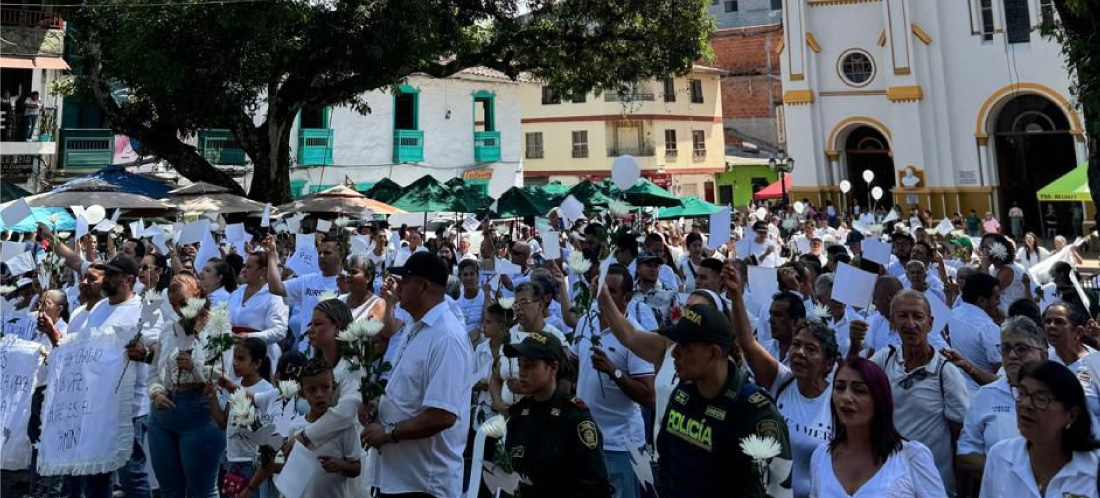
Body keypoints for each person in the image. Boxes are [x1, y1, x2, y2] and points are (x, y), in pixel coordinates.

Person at [360, 251, 474, 498]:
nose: (398, 287)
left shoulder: (447, 337)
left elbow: (442, 415)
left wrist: (389, 433)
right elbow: (409, 389)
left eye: (405, 280)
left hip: (424, 484)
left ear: (423, 286)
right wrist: (378, 404)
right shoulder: (415, 325)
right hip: (398, 478)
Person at [656, 303, 793, 498]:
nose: (675, 353)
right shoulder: (681, 394)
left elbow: (778, 491)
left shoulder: (755, 412)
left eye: (685, 346)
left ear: (713, 353)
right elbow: (665, 458)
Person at [67, 255, 153, 498]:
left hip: (129, 407)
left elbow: (155, 348)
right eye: (106, 273)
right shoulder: (100, 308)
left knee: (131, 475)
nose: (107, 278)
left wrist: (143, 352)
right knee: (96, 472)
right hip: (96, 406)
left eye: (113, 274)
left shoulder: (142, 310)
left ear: (129, 279)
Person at [869, 289, 970, 496]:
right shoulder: (883, 360)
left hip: (931, 486)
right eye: (903, 316)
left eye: (918, 316)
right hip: (887, 484)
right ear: (892, 322)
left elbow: (961, 437)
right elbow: (853, 385)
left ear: (930, 323)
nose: (911, 324)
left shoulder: (945, 373)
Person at [733, 298, 837, 498]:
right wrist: (736, 294)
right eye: (796, 345)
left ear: (828, 364)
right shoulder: (782, 381)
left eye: (811, 349)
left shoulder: (838, 401)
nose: (800, 353)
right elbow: (747, 343)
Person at [809, 357, 947, 498]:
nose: (846, 397)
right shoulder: (821, 457)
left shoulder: (912, 457)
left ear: (879, 399)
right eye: (839, 387)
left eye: (859, 390)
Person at [574, 265, 655, 498]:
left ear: (627, 298)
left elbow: (649, 396)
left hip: (621, 446)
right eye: (601, 289)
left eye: (611, 291)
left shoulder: (636, 337)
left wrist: (613, 372)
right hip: (587, 440)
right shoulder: (586, 322)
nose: (603, 297)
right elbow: (574, 365)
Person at [500, 332, 613, 498]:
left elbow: (594, 484)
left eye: (530, 365)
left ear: (553, 368)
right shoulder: (518, 416)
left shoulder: (574, 418)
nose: (522, 372)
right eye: (520, 364)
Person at [147, 273, 226, 498]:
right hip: (162, 416)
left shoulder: (218, 327)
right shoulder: (168, 329)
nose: (180, 310)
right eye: (174, 305)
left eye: (183, 302)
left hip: (200, 413)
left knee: (202, 490)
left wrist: (195, 367)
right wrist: (156, 393)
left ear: (198, 294)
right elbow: (154, 372)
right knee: (169, 490)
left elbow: (223, 375)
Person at [979, 361, 1100, 498]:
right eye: (1022, 393)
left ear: (1071, 415)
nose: (1026, 404)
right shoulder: (1000, 456)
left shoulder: (1093, 470)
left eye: (1041, 398)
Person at [956, 317, 1048, 490]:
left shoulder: (1060, 395)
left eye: (1022, 349)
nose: (1012, 355)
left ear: (1043, 355)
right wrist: (1010, 474)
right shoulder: (984, 396)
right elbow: (965, 454)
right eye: (1005, 349)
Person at [208, 337, 275, 495]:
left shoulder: (267, 389)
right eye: (235, 358)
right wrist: (212, 398)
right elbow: (223, 423)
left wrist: (232, 388)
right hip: (232, 459)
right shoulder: (236, 385)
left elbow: (255, 406)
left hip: (253, 461)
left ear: (257, 363)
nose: (235, 363)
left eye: (241, 359)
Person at [293, 359, 363, 497]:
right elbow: (290, 468)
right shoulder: (295, 427)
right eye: (312, 390)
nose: (319, 394)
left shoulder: (345, 427)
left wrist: (341, 465)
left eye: (325, 387)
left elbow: (356, 468)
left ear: (334, 387)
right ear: (302, 394)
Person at [264, 234, 341, 352]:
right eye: (319, 252)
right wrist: (271, 255)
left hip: (334, 353)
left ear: (340, 255)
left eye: (327, 253)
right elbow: (276, 288)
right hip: (305, 352)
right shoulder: (307, 280)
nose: (321, 256)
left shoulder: (347, 282)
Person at [227, 250, 289, 375]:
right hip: (233, 354)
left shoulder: (274, 296)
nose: (244, 270)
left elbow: (279, 331)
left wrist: (250, 336)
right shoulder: (236, 293)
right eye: (244, 265)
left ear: (262, 271)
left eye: (249, 267)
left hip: (260, 357)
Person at [947, 273, 1003, 392]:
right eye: (997, 298)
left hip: (957, 387)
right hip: (985, 392)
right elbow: (1001, 371)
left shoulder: (953, 314)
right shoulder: (988, 328)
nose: (999, 303)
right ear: (982, 300)